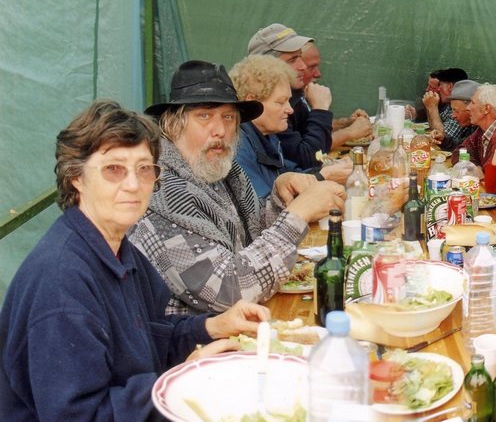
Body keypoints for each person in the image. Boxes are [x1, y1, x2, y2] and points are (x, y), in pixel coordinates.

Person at [0, 100, 271, 421]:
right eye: (114, 169)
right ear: (76, 177)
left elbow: (146, 335)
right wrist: (180, 381)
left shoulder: (117, 245)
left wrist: (211, 326)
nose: (133, 184)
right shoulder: (62, 283)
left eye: (144, 169)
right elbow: (78, 415)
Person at [129, 60, 345, 315]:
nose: (220, 130)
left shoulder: (224, 170)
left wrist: (280, 196)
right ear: (172, 125)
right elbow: (229, 291)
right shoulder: (162, 190)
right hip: (193, 347)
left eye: (229, 117)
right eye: (204, 116)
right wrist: (299, 214)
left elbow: (252, 237)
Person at [229, 54, 352, 199]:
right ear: (252, 103)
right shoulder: (236, 149)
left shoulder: (268, 137)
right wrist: (322, 177)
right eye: (280, 102)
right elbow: (263, 208)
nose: (290, 109)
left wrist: (325, 170)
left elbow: (289, 174)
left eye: (288, 100)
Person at [248, 23, 334, 167]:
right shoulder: (266, 105)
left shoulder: (294, 96)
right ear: (266, 65)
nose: (303, 66)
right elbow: (307, 157)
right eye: (292, 60)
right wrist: (320, 110)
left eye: (300, 57)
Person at [299, 41, 372, 147]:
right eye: (311, 67)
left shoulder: (297, 96)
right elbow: (309, 151)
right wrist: (349, 132)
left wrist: (346, 122)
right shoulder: (285, 103)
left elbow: (308, 128)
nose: (318, 74)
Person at [450, 83, 496, 170]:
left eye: (472, 103)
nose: (468, 108)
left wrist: (475, 169)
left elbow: (492, 173)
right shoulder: (482, 130)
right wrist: (476, 167)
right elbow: (459, 152)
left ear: (486, 109)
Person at [422, 68, 476, 151]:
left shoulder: (480, 127)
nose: (438, 89)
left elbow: (441, 133)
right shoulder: (451, 105)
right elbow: (460, 145)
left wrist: (432, 108)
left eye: (440, 85)